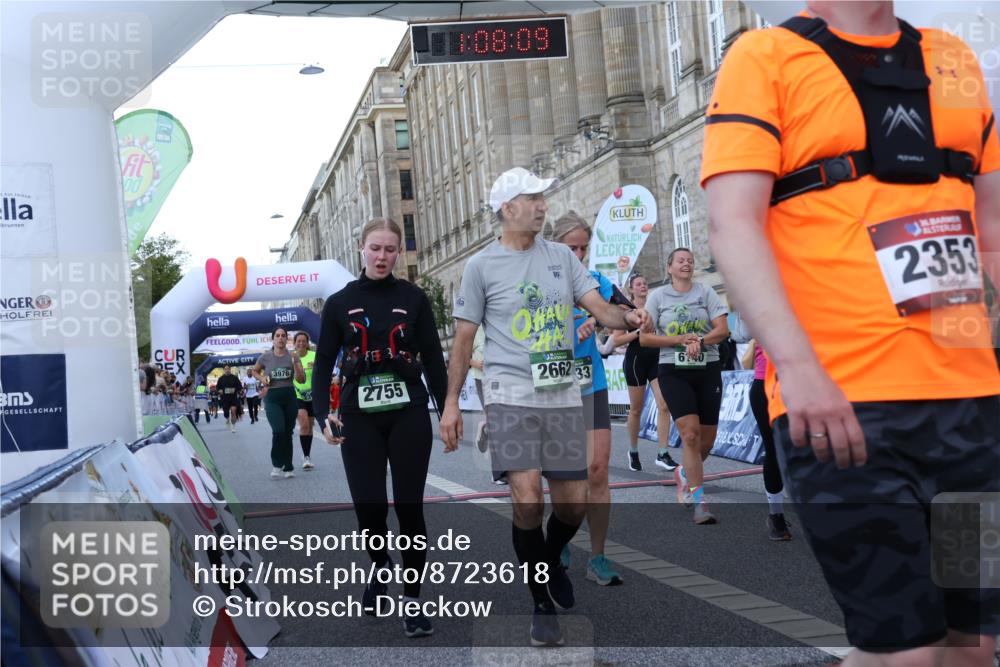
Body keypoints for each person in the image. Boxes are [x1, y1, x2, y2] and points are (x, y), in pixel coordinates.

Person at [702, 1, 1000, 663]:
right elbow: (732, 223)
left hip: (971, 409)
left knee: (974, 644)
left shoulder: (952, 57)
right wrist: (798, 366)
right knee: (905, 650)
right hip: (842, 406)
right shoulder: (765, 57)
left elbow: (992, 225)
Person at [439, 167, 651, 647]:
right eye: (534, 197)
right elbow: (463, 340)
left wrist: (630, 315)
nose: (542, 205)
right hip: (510, 393)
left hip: (560, 395)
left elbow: (602, 310)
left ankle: (549, 558)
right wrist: (452, 403)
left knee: (573, 504)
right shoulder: (481, 266)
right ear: (508, 208)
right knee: (528, 497)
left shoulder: (560, 256)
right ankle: (539, 602)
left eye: (543, 197)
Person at [311, 217, 448, 639]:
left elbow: (433, 358)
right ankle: (380, 565)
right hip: (359, 417)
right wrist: (321, 416)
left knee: (409, 508)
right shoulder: (338, 303)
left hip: (408, 413)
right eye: (375, 248)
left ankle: (412, 597)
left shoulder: (414, 297)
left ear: (399, 252)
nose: (383, 256)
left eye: (391, 249)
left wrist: (448, 411)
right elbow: (322, 366)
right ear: (361, 249)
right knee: (369, 510)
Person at [548, 211, 624, 587]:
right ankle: (560, 537)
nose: (578, 254)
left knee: (597, 469)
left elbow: (623, 311)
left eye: (583, 247)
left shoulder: (596, 282)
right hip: (552, 386)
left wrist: (622, 316)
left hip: (590, 383)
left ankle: (598, 556)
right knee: (565, 477)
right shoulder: (537, 282)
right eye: (570, 247)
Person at [640, 248, 729, 525]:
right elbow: (645, 339)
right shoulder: (658, 297)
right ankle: (700, 502)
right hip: (673, 370)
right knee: (689, 435)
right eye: (680, 261)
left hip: (707, 367)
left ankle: (683, 472)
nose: (686, 264)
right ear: (669, 268)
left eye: (690, 261)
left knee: (707, 440)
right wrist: (678, 340)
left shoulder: (705, 292)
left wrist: (700, 342)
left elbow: (723, 330)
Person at [609, 274, 677, 472]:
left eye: (645, 283)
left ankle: (663, 453)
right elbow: (617, 340)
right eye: (638, 284)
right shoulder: (625, 310)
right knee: (636, 409)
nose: (643, 286)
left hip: (656, 358)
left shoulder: (655, 305)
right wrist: (638, 333)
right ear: (631, 289)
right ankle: (633, 450)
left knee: (664, 405)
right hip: (636, 361)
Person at [252, 327, 305, 479]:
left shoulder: (293, 356)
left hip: (289, 396)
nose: (280, 338)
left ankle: (288, 466)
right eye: (277, 336)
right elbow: (254, 371)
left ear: (286, 339)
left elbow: (301, 380)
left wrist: (296, 364)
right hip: (272, 398)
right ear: (273, 339)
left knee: (288, 433)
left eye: (283, 336)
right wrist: (263, 379)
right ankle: (276, 464)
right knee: (278, 430)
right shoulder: (265, 357)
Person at [291, 332, 316, 469]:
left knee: (310, 427)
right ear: (295, 343)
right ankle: (306, 458)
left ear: (307, 343)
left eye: (303, 341)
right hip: (298, 395)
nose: (301, 343)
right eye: (298, 341)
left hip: (313, 396)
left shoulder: (314, 356)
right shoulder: (291, 358)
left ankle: (307, 453)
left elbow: (323, 372)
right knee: (304, 424)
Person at [216, 365, 242, 433]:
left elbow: (239, 386)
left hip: (233, 398)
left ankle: (233, 427)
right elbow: (218, 388)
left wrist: (240, 391)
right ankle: (227, 418)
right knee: (226, 414)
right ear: (224, 370)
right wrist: (220, 391)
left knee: (233, 411)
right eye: (225, 369)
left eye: (228, 369)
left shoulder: (234, 378)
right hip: (225, 399)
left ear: (230, 369)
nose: (227, 370)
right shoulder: (221, 379)